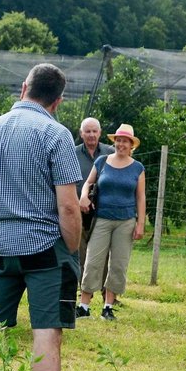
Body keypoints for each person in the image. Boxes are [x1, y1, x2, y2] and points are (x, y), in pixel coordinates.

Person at [0, 63, 82, 371]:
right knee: (47, 331)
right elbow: (69, 206)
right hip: (45, 249)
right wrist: (71, 248)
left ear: (24, 87)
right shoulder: (56, 134)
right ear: (57, 101)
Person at [77, 124, 146, 320]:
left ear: (131, 145)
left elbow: (140, 197)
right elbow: (89, 183)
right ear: (114, 142)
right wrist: (84, 196)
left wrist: (140, 223)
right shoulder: (102, 161)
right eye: (118, 140)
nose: (121, 144)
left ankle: (108, 306)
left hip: (125, 221)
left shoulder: (137, 168)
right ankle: (84, 306)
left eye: (125, 141)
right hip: (102, 218)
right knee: (92, 261)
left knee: (118, 263)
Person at [74, 117, 113, 276]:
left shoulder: (110, 153)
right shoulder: (72, 153)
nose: (91, 134)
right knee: (79, 251)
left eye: (94, 131)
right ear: (81, 133)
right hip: (78, 210)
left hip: (103, 211)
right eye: (87, 131)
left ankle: (107, 293)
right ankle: (82, 289)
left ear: (100, 133)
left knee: (103, 252)